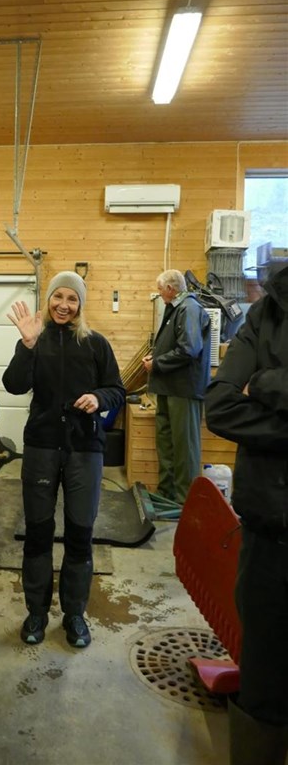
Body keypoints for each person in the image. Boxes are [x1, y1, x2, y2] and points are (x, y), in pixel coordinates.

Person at [2, 271, 125, 648]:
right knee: (38, 533)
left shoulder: (95, 343)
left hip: (84, 449)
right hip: (40, 446)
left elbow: (117, 389)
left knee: (79, 534)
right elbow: (13, 385)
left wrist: (99, 399)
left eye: (72, 299)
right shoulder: (35, 341)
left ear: (81, 305)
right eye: (59, 297)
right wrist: (26, 344)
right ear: (49, 299)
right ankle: (36, 612)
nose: (64, 305)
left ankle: (74, 615)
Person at [205, 263, 288, 765]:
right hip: (269, 534)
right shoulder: (268, 313)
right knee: (264, 678)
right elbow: (220, 406)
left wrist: (269, 384)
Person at [141, 269, 211, 505]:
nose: (159, 293)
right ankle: (167, 493)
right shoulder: (177, 309)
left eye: (160, 289)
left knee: (185, 447)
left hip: (184, 390)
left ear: (171, 288)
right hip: (169, 388)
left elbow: (189, 349)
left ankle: (185, 502)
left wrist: (157, 363)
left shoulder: (189, 309)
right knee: (167, 443)